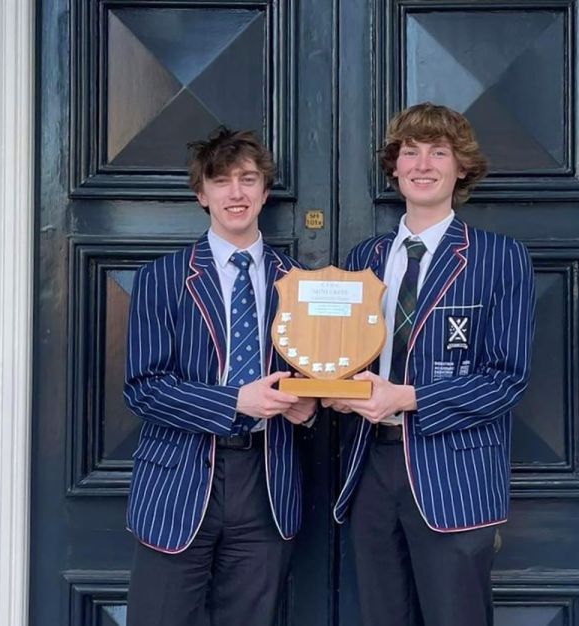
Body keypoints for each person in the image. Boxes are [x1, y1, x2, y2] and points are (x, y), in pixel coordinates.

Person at [325, 103, 535, 626]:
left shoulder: (499, 257)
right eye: (410, 152)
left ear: (461, 167)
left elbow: (505, 378)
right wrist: (333, 390)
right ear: (394, 167)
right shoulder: (363, 259)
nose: (422, 165)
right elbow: (340, 357)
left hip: (454, 473)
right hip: (369, 467)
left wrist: (408, 398)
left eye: (438, 152)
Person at [123, 127, 315, 626]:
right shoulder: (163, 278)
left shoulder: (299, 283)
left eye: (248, 180)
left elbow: (313, 374)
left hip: (266, 480)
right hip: (179, 479)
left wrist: (309, 407)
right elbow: (145, 388)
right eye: (222, 180)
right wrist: (233, 402)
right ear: (201, 194)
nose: (236, 193)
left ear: (265, 193)